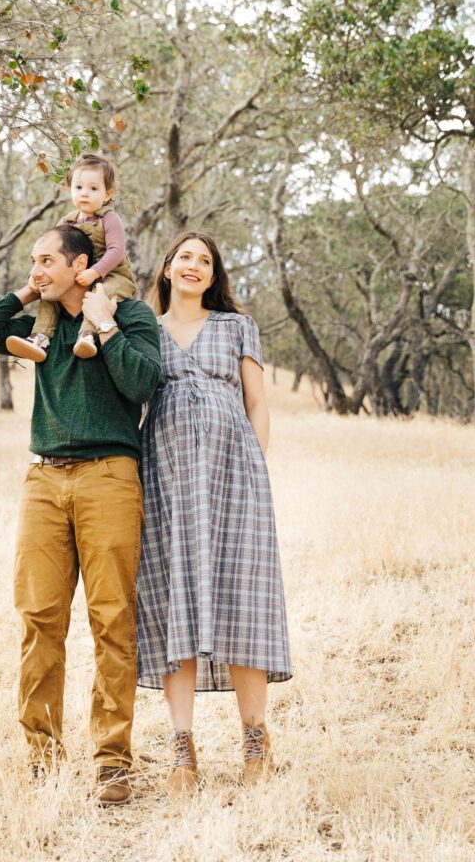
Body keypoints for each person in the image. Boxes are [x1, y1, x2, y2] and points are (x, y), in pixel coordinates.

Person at [0, 225, 161, 806]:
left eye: (47, 260)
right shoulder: (37, 325)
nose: (37, 268)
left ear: (82, 264)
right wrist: (28, 292)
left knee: (111, 620)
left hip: (109, 477)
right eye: (32, 260)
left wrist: (105, 321)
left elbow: (144, 382)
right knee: (39, 618)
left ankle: (112, 761)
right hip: (43, 479)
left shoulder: (132, 314)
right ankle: (42, 756)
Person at [136, 231, 293, 797]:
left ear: (214, 273)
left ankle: (255, 739)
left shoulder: (236, 327)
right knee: (175, 598)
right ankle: (182, 750)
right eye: (186, 258)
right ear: (167, 269)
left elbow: (257, 403)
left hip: (236, 477)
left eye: (205, 260)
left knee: (242, 600)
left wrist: (257, 466)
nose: (195, 267)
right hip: (167, 479)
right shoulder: (145, 331)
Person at [5, 153, 137, 362]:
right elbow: (56, 254)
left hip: (112, 274)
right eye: (78, 188)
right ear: (70, 190)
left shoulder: (109, 219)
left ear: (107, 193)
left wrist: (95, 272)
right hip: (79, 274)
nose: (84, 193)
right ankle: (40, 337)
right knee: (51, 295)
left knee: (100, 294)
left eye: (93, 188)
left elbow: (116, 251)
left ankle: (87, 336)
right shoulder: (66, 221)